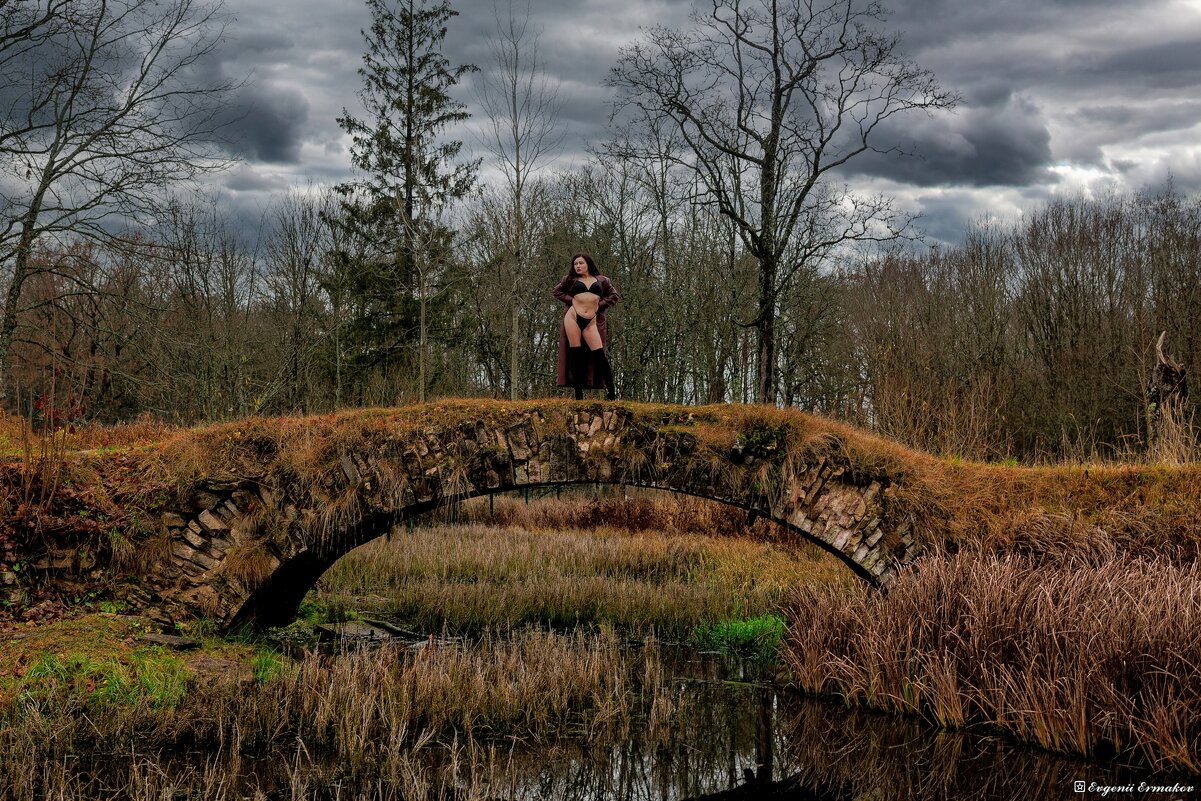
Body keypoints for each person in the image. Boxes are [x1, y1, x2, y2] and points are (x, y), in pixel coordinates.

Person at [552, 252, 618, 400]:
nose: (578, 266)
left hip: (591, 321)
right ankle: (578, 396)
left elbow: (613, 296)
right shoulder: (570, 280)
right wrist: (572, 301)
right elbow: (557, 291)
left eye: (581, 263)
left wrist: (599, 306)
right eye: (575, 264)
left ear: (588, 264)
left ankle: (612, 394)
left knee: (600, 355)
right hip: (573, 317)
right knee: (576, 354)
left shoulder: (601, 280)